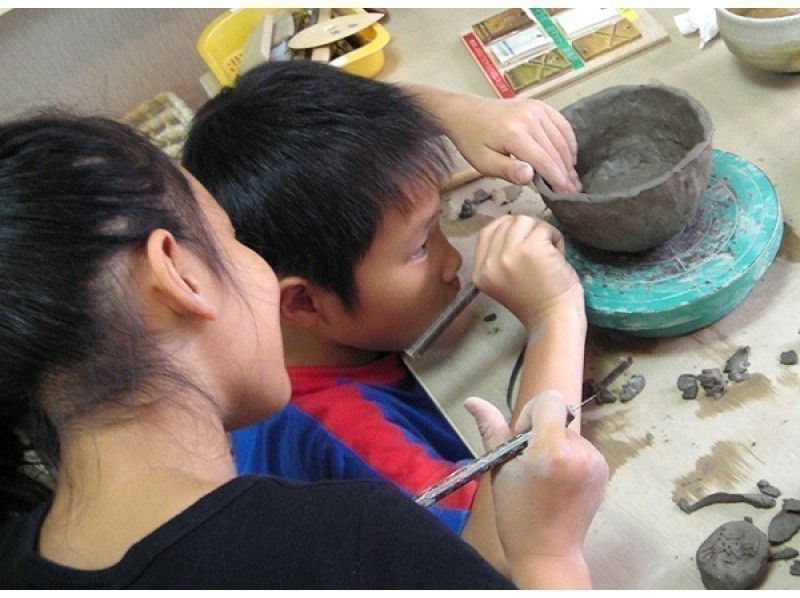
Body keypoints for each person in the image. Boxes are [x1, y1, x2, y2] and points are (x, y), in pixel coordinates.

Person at [0, 114, 606, 589]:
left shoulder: (21, 561)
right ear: (179, 274)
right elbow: (495, 558)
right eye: (233, 242)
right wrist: (547, 556)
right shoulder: (352, 546)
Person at [182, 61, 593, 573]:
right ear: (305, 303)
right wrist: (556, 315)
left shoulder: (286, 323)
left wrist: (457, 111)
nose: (452, 261)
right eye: (421, 245)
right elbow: (499, 550)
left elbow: (350, 100)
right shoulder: (344, 435)